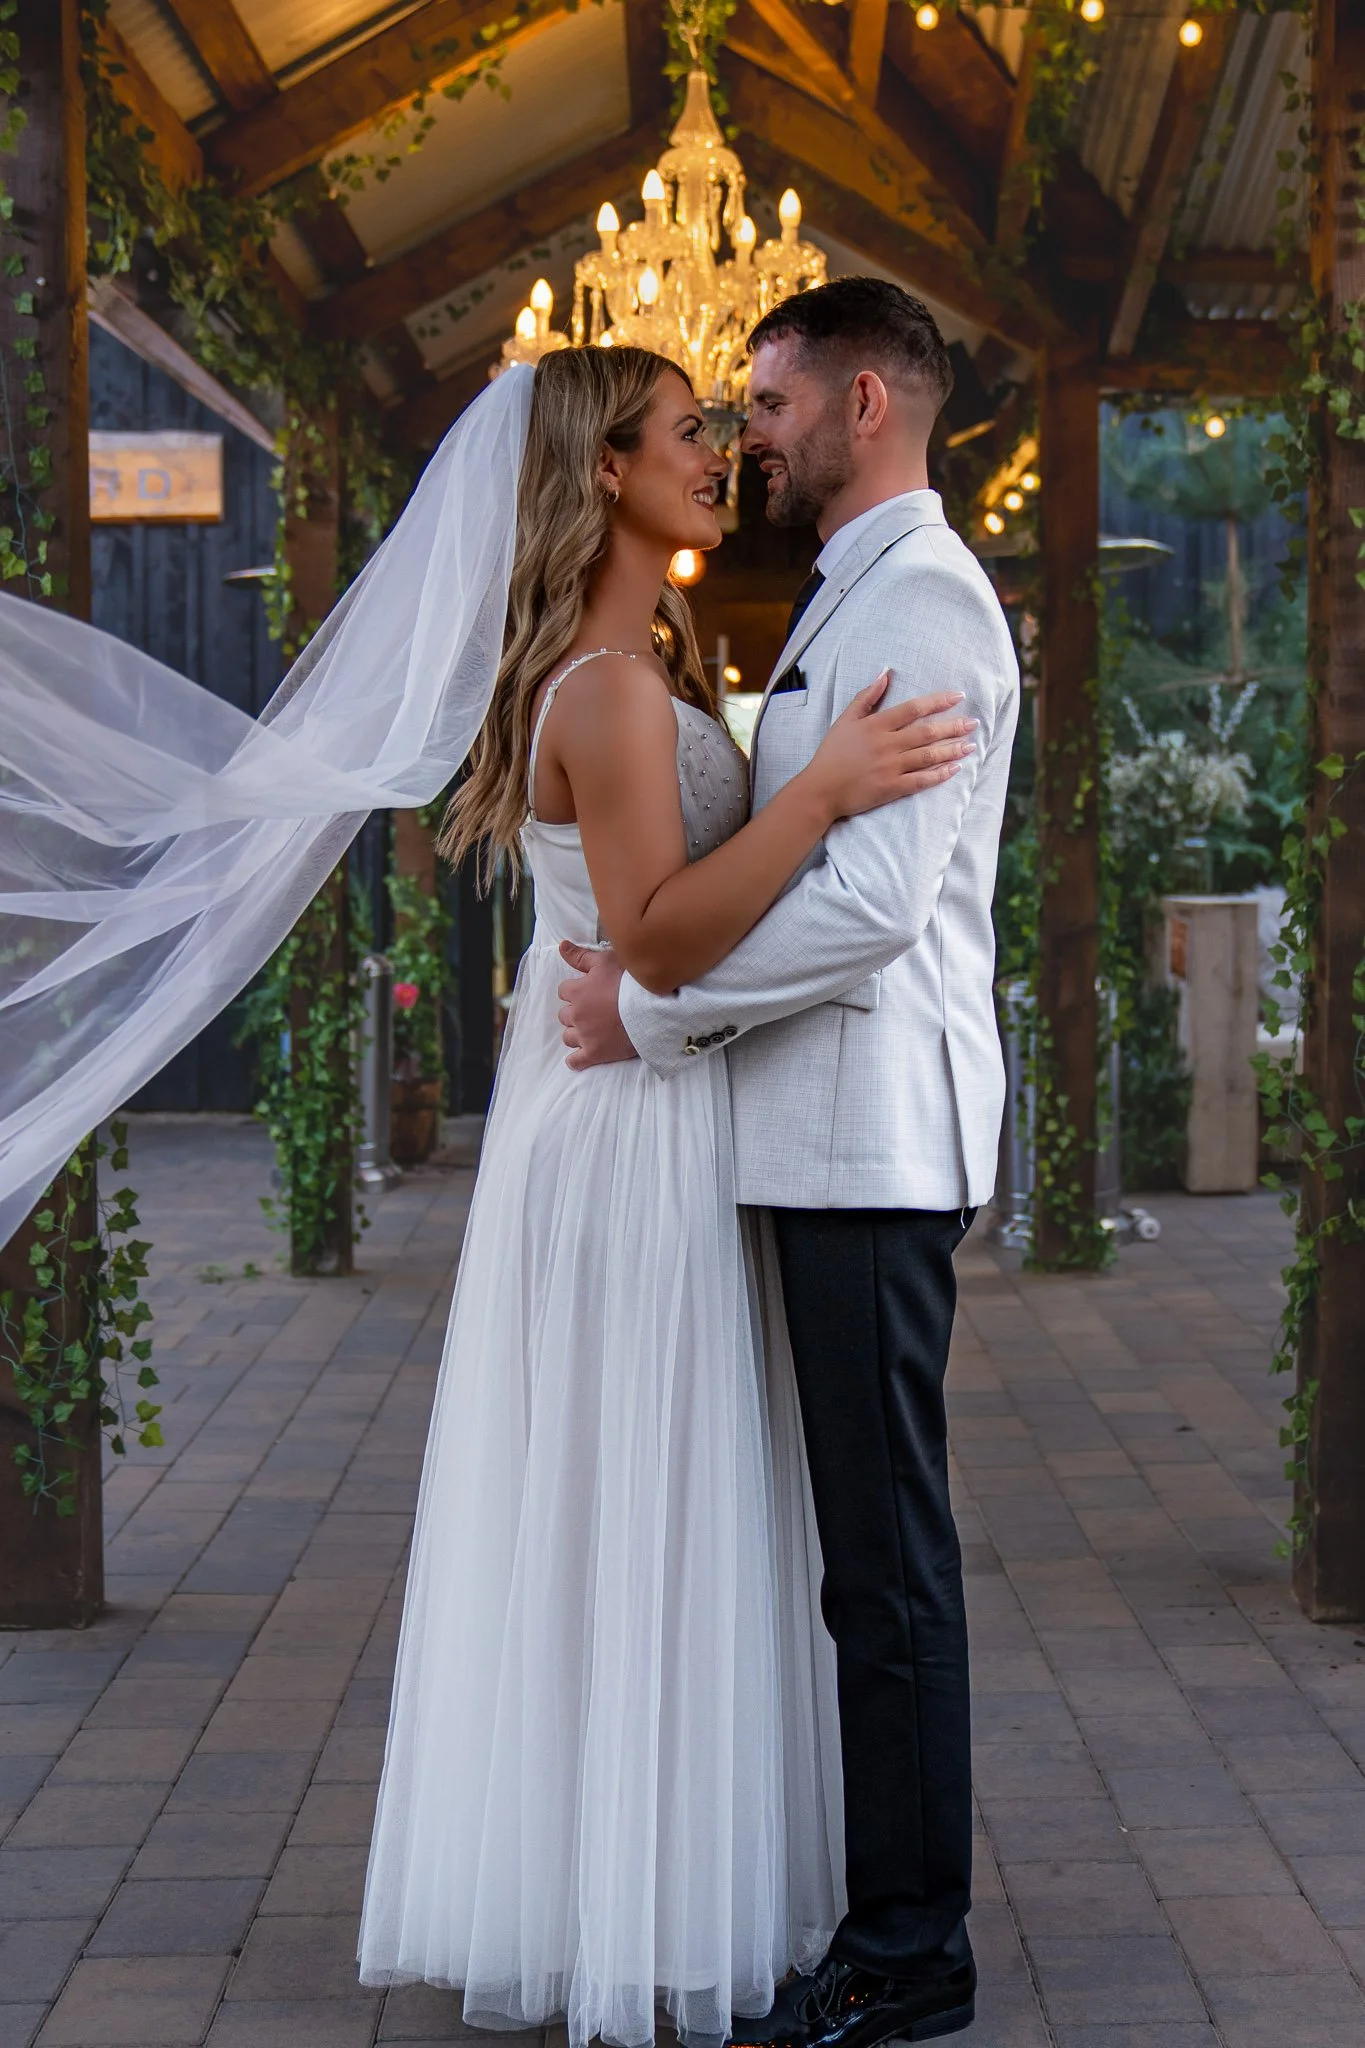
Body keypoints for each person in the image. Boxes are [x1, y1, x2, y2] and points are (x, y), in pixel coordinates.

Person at [355, 340, 979, 2048]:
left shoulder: (644, 658)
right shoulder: (615, 686)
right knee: (647, 1489)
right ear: (605, 471)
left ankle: (633, 1871)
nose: (719, 451)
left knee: (654, 1491)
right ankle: (629, 1893)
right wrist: (833, 787)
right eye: (691, 430)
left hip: (646, 1097)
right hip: (632, 1122)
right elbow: (660, 936)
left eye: (729, 421)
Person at [557, 278, 1021, 2048]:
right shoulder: (860, 589)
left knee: (886, 1561)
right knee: (860, 1553)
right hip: (816, 1136)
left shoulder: (921, 604)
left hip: (863, 1139)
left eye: (767, 398)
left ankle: (913, 1954)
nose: (751, 430)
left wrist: (661, 1016)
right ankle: (882, 1911)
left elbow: (876, 910)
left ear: (867, 407)